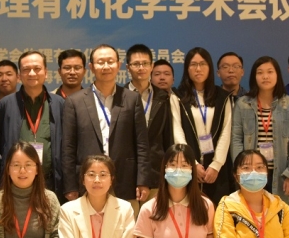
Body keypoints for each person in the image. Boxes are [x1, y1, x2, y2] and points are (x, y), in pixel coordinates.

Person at [61, 44, 150, 212]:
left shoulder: (132, 99)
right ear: (91, 67)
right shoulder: (74, 102)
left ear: (119, 65)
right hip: (87, 182)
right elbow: (68, 148)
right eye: (100, 62)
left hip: (125, 181)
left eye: (110, 61)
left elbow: (142, 144)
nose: (106, 66)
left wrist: (143, 180)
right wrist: (70, 185)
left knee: (125, 227)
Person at [231, 56, 289, 206]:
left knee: (280, 215)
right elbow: (236, 139)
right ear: (254, 77)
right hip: (251, 174)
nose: (265, 76)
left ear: (277, 75)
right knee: (251, 214)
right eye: (260, 72)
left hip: (282, 174)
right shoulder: (243, 104)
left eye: (270, 72)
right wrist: (240, 171)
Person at [0, 51, 65, 194]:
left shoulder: (60, 104)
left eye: (37, 69)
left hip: (50, 182)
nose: (32, 73)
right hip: (15, 182)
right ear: (19, 75)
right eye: (26, 69)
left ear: (46, 73)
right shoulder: (6, 104)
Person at [171, 47, 233, 205]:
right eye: (193, 64)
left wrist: (216, 165)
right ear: (187, 68)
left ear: (210, 67)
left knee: (217, 211)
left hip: (217, 169)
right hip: (188, 166)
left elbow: (226, 132)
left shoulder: (223, 97)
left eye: (203, 64)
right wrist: (192, 163)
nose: (198, 69)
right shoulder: (177, 96)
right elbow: (177, 131)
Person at [126, 44, 173, 199]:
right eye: (136, 64)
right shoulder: (119, 96)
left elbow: (168, 137)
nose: (141, 68)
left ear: (152, 66)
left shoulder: (163, 97)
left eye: (145, 63)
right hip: (128, 173)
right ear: (128, 67)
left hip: (156, 171)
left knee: (154, 214)